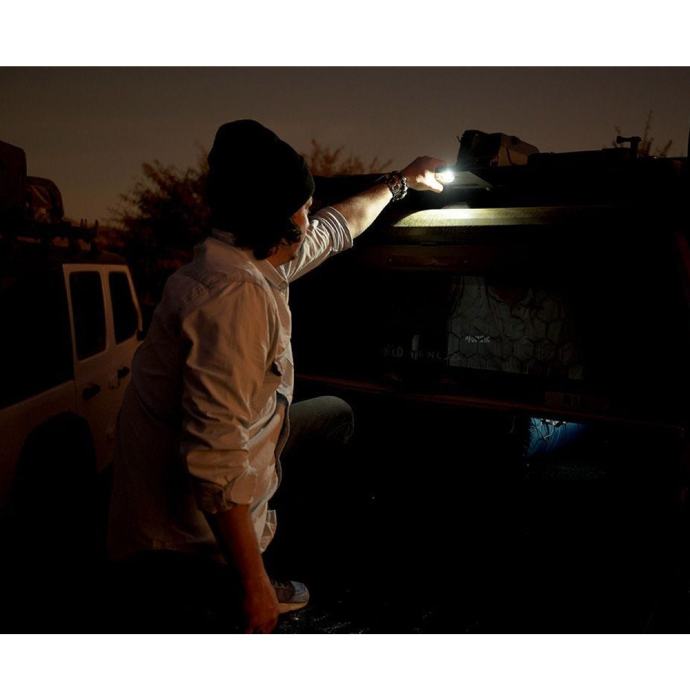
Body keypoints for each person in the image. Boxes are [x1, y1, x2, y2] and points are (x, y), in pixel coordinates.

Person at [107, 119, 445, 633]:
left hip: (226, 465)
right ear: (276, 218)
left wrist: (400, 182)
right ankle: (243, 574)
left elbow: (336, 228)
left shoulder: (252, 254)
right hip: (179, 541)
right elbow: (215, 458)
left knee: (335, 415)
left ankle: (265, 547)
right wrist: (254, 587)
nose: (311, 217)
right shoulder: (230, 298)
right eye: (304, 207)